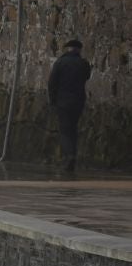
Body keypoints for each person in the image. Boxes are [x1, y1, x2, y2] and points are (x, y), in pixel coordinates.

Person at [48, 39, 92, 172]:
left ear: (68, 49)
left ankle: (70, 156)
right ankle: (73, 155)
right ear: (79, 50)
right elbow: (87, 77)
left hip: (63, 101)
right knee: (73, 128)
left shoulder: (60, 63)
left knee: (65, 130)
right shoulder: (84, 64)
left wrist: (52, 101)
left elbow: (52, 83)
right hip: (78, 101)